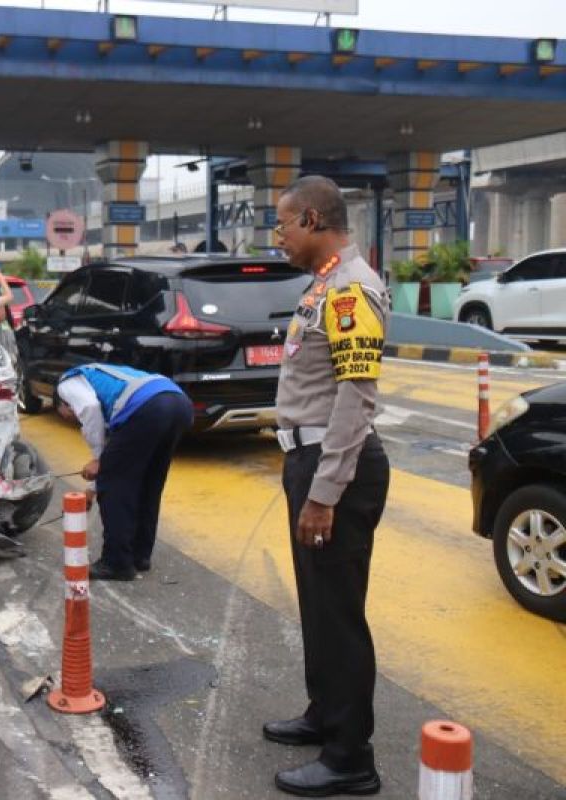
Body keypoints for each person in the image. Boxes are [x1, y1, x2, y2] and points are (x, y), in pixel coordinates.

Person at [265, 175, 389, 797]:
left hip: (334, 465)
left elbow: (355, 397)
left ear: (312, 220)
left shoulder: (349, 290)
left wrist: (325, 491)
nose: (278, 237)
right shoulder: (326, 284)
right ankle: (325, 713)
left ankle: (350, 757)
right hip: (310, 459)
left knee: (338, 612)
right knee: (319, 604)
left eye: (283, 224)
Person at [53, 364, 192, 581]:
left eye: (66, 416)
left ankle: (117, 562)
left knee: (115, 487)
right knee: (148, 483)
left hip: (149, 407)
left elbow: (88, 408)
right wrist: (91, 490)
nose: (73, 420)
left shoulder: (66, 383)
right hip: (179, 403)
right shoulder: (103, 379)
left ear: (64, 404)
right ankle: (139, 556)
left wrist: (101, 462)